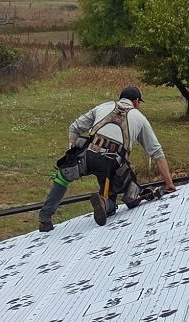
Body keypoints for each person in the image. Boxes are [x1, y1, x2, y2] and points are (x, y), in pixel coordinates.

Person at [37, 84, 175, 231]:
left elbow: (74, 127)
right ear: (136, 102)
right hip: (112, 164)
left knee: (62, 176)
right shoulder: (139, 118)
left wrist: (71, 153)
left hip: (88, 155)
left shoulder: (103, 107)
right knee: (112, 196)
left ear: (120, 98)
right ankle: (104, 202)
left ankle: (44, 219)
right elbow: (156, 153)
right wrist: (169, 184)